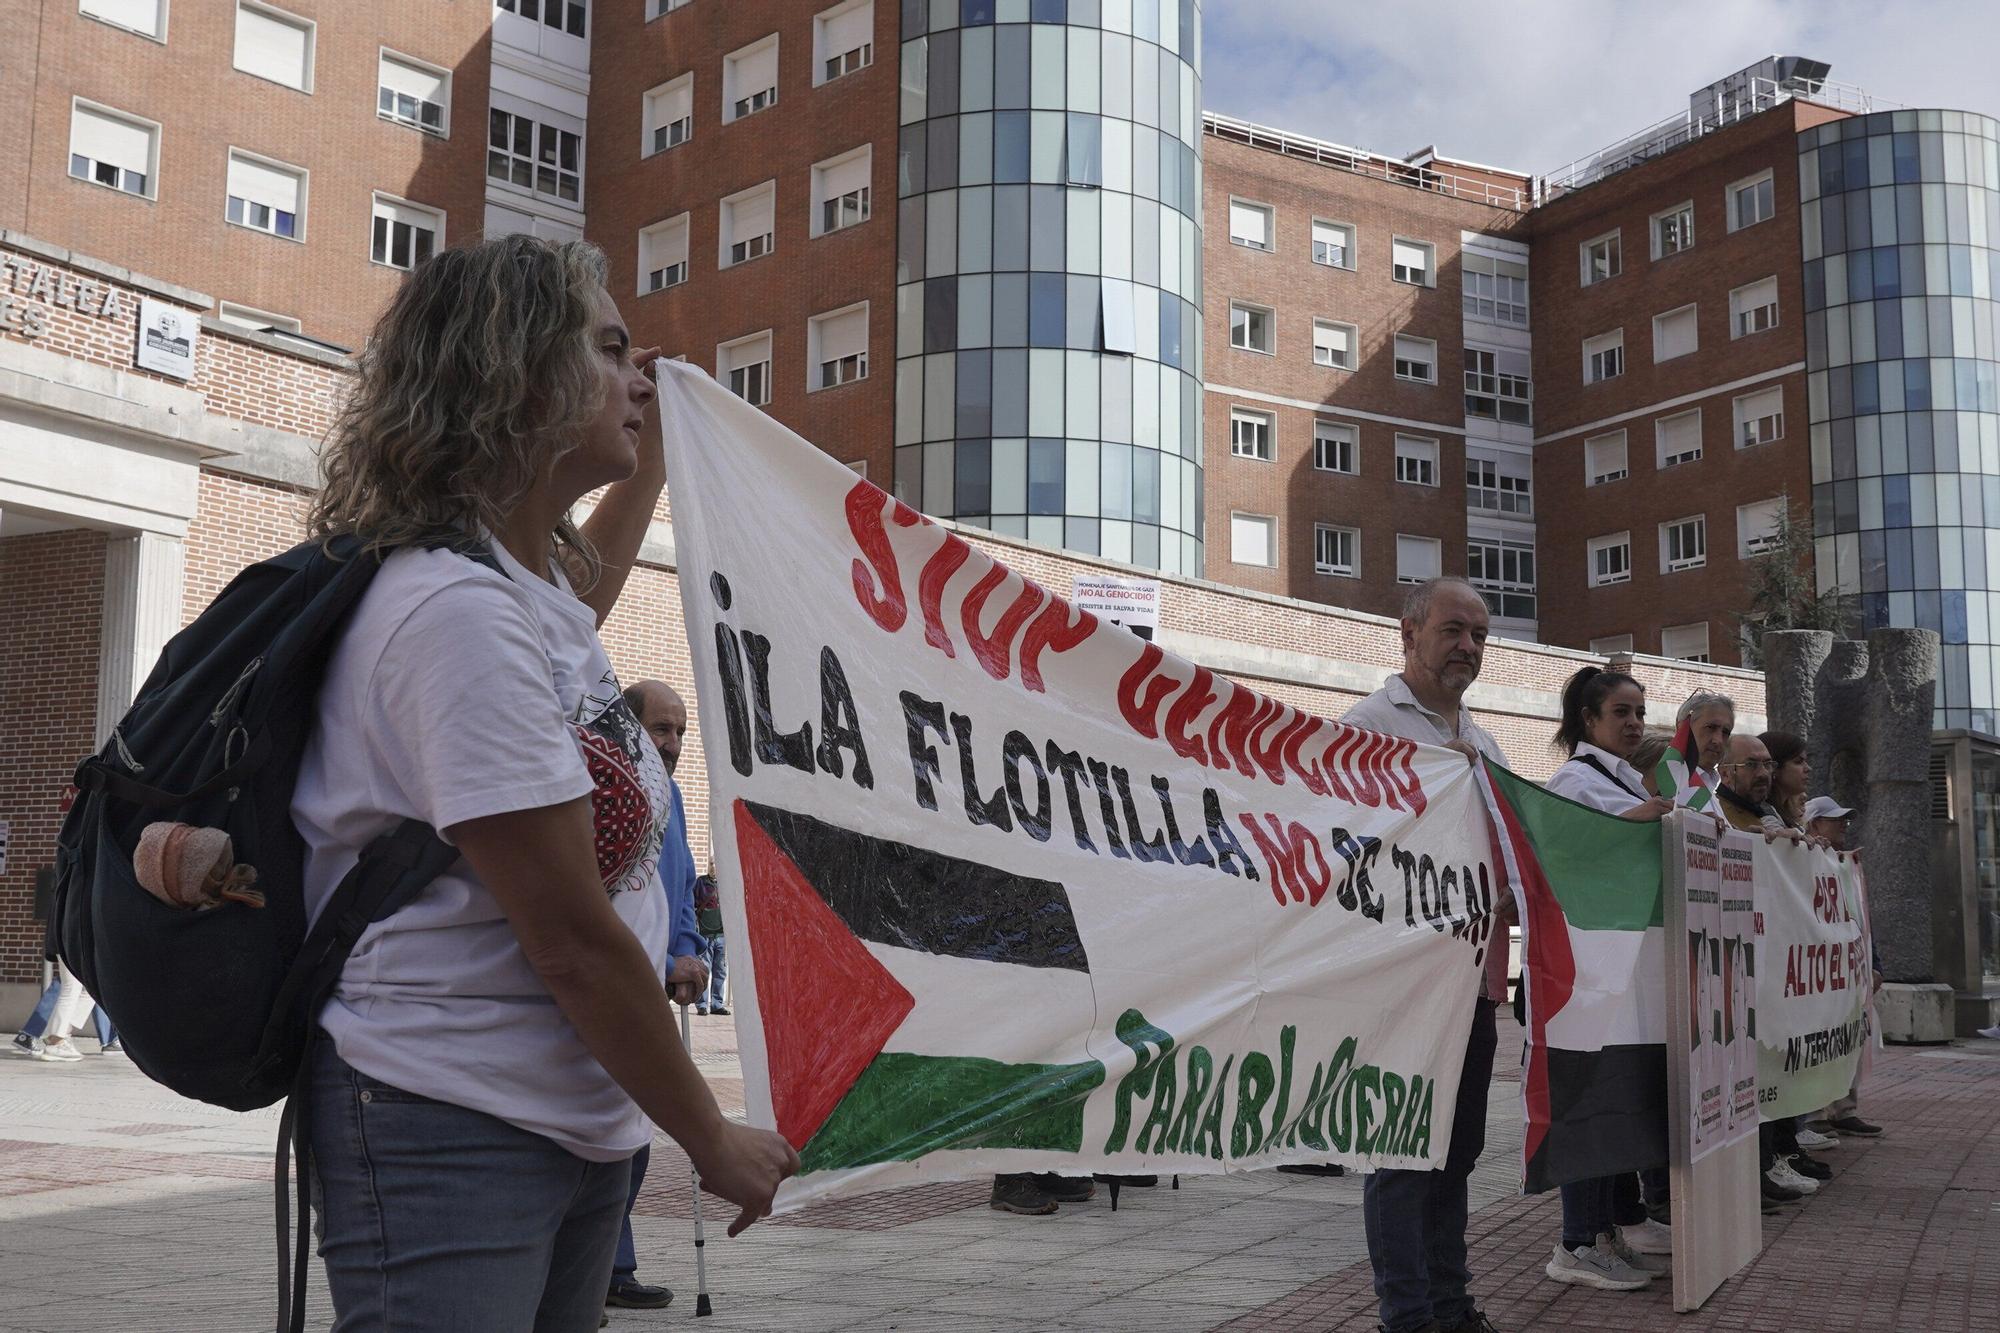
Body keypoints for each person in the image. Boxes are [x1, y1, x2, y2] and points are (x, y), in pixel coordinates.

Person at [293, 235, 796, 1330]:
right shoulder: (456, 614)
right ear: (518, 374)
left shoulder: (520, 593)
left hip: (571, 1127)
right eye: (611, 350)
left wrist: (654, 455)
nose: (639, 375)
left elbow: (582, 594)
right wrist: (710, 1137)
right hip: (448, 1122)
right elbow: (567, 935)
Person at [1340, 577, 1509, 1333]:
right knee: (1405, 1152)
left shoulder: (1487, 739)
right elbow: (1340, 854)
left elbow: (1510, 855)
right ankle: (1405, 1316)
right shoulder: (1366, 728)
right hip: (1401, 988)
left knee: (1457, 1153)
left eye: (1479, 635)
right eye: (1453, 630)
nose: (1468, 647)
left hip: (1469, 988)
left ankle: (1449, 1302)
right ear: (1407, 632)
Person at [1540, 667, 1674, 1293]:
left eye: (1640, 712)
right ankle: (1576, 1241)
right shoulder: (1574, 781)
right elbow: (1566, 858)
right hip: (1589, 972)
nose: (1634, 724)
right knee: (1588, 1102)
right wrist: (1636, 823)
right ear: (1587, 720)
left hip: (1623, 973)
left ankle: (1603, 1232)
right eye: (1621, 712)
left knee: (1615, 1097)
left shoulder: (1616, 779)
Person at [607, 679, 714, 1311]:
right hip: (606, 992)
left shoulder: (668, 796)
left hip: (649, 994)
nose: (672, 743)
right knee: (606, 1135)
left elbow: (681, 892)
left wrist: (688, 949)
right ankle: (601, 1267)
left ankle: (608, 1267)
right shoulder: (606, 791)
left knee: (631, 1136)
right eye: (660, 729)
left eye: (679, 732)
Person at [1715, 735, 1821, 1206]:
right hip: (1739, 968)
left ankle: (1775, 1156)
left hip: (1773, 966)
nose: (1762, 773)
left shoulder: (1766, 816)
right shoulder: (1723, 812)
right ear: (1726, 772)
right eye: (1751, 765)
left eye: (1766, 764)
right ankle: (1753, 1169)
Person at [1800, 797, 1886, 1139]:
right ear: (1814, 825)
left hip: (1847, 967)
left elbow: (1860, 918)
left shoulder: (1846, 865)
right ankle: (1816, 1112)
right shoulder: (1803, 861)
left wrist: (1873, 963)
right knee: (1823, 1039)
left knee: (1850, 1036)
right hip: (1822, 968)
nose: (1843, 825)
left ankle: (1844, 1108)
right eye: (1834, 820)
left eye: (1844, 819)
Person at [9, 962, 118, 1061]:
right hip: (75, 946)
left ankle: (57, 1034)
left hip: (77, 946)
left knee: (89, 986)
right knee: (71, 987)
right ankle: (54, 1039)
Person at [1674, 691, 1736, 785]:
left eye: (1726, 732)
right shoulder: (1659, 781)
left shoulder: (1714, 785)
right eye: (1711, 727)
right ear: (1682, 727)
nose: (1718, 740)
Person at [693, 868, 727, 1015]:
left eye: (716, 863)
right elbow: (691, 903)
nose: (714, 867)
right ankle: (701, 1004)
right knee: (704, 968)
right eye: (712, 864)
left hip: (722, 934)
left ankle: (717, 1004)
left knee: (720, 970)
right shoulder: (700, 883)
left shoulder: (726, 883)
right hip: (705, 933)